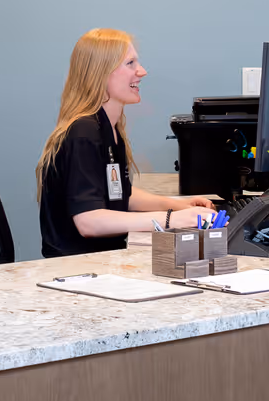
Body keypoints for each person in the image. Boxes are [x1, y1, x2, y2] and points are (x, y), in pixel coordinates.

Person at [38, 28, 215, 258]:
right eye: (130, 63)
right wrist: (172, 219)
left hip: (101, 256)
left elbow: (120, 195)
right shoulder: (83, 133)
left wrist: (179, 205)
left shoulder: (109, 127)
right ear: (101, 72)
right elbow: (89, 221)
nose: (142, 71)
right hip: (78, 264)